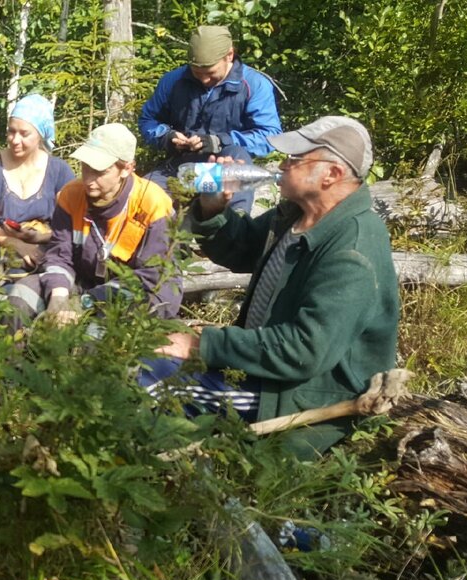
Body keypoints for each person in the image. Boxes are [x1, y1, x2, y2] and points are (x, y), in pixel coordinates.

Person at [147, 116, 400, 458]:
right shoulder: (296, 215)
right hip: (264, 369)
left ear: (332, 175)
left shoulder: (352, 248)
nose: (281, 164)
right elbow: (240, 250)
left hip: (299, 396)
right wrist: (213, 206)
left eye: (295, 159)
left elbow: (304, 351)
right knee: (143, 355)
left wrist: (199, 344)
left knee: (153, 381)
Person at [3, 123, 182, 324]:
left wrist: (86, 302)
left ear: (127, 169)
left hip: (141, 291)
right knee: (21, 296)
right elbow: (60, 256)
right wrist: (58, 298)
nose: (88, 179)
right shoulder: (71, 195)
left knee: (96, 331)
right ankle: (13, 354)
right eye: (85, 167)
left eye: (100, 171)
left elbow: (150, 277)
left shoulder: (153, 205)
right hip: (84, 280)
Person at [138, 25, 282, 214]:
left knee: (236, 154)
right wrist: (167, 137)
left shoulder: (254, 84)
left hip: (226, 166)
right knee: (142, 199)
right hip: (183, 166)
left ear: (229, 55)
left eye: (210, 72)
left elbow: (270, 135)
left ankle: (234, 227)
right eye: (197, 73)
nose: (204, 79)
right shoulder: (174, 81)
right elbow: (148, 120)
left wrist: (219, 141)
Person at [0, 94, 77, 284]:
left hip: (44, 249)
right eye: (11, 131)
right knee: (10, 278)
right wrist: (16, 244)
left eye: (24, 134)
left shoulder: (59, 171)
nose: (15, 140)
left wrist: (40, 237)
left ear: (41, 134)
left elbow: (69, 225)